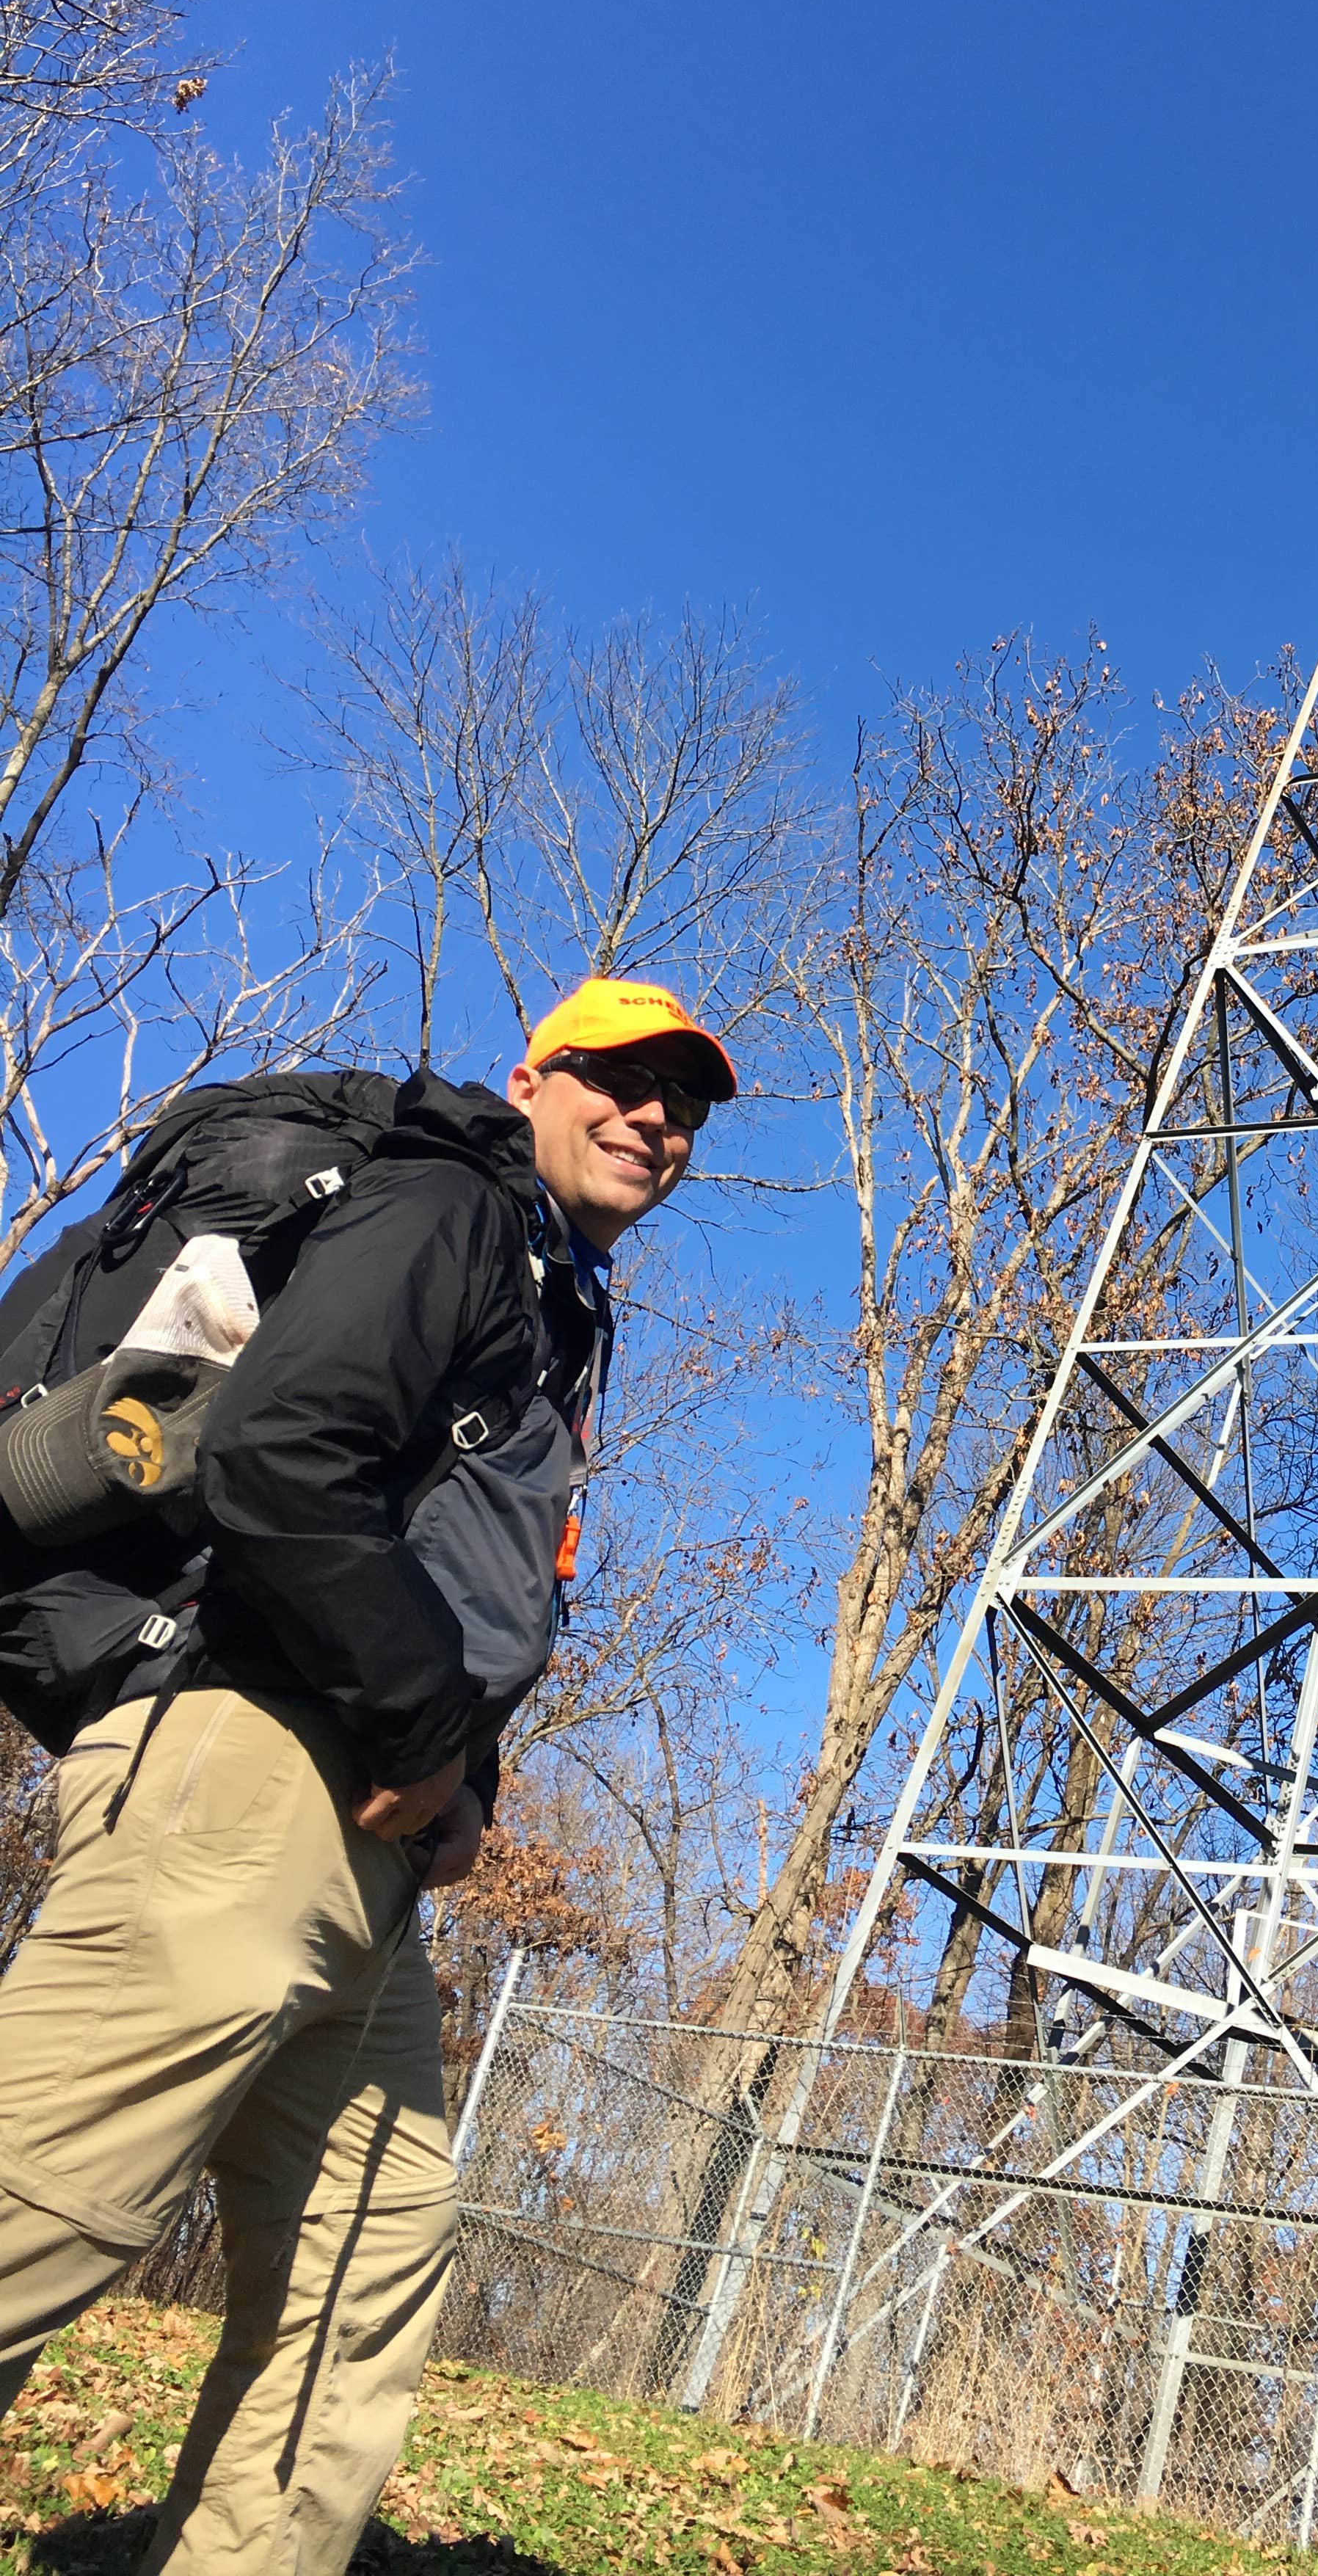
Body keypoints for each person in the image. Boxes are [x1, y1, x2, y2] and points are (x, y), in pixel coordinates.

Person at [0, 976, 734, 2573]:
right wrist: (425, 1733)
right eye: (621, 1078)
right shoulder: (450, 1202)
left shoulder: (546, 1289)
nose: (658, 1119)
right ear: (532, 1077)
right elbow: (278, 1454)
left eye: (686, 1102)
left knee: (369, 2255)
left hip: (361, 1838)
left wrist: (454, 1772)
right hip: (246, 1765)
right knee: (42, 2203)